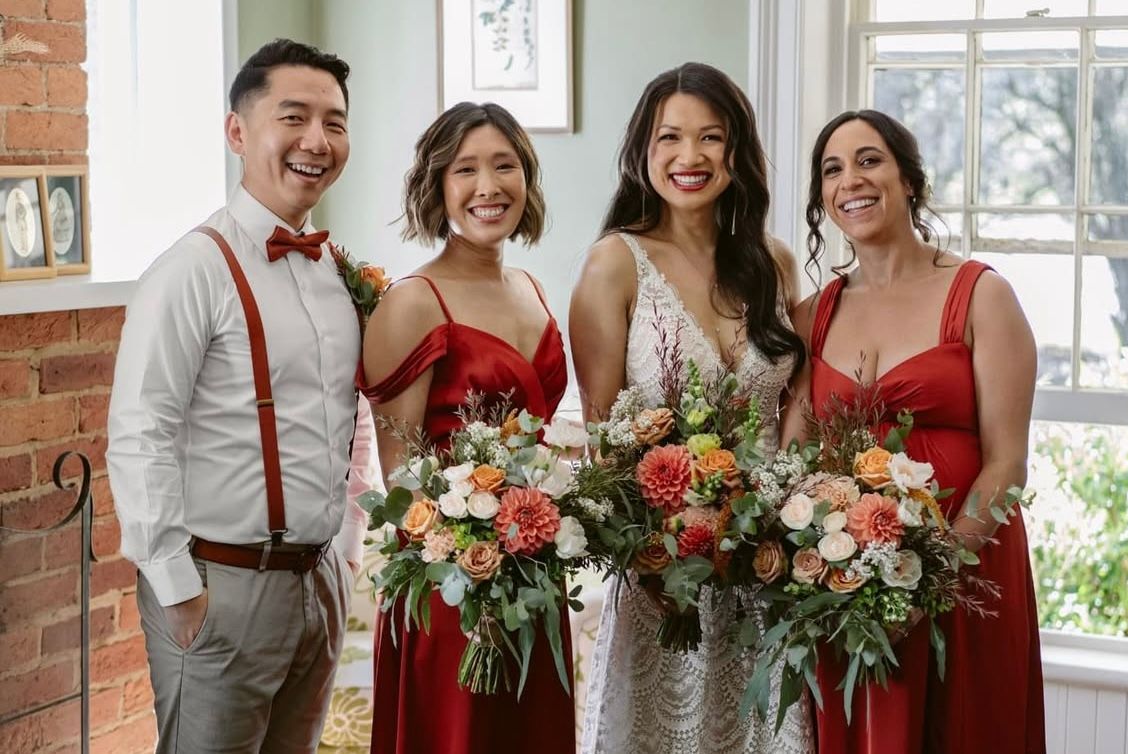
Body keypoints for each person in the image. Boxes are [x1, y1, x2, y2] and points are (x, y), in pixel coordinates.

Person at [107, 39, 372, 753]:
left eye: (335, 122)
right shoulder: (191, 269)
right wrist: (177, 590)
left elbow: (354, 418)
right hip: (220, 586)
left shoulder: (336, 271)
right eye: (294, 117)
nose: (317, 141)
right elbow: (141, 431)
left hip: (318, 585)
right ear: (237, 132)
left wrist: (344, 551)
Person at [569, 62, 815, 753]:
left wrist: (780, 535)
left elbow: (795, 417)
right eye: (669, 137)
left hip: (768, 572)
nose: (689, 157)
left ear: (737, 152)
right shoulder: (613, 264)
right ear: (641, 153)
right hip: (662, 581)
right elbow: (604, 444)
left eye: (711, 137)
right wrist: (657, 567)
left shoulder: (775, 263)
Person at [785, 109, 1045, 754]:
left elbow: (1008, 463)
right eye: (832, 169)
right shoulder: (810, 317)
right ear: (822, 197)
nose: (852, 180)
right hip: (852, 585)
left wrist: (929, 582)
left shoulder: (981, 294)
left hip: (966, 570)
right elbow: (792, 461)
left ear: (909, 180)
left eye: (869, 160)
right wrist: (832, 568)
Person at [361, 101, 575, 754]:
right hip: (451, 589)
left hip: (534, 573)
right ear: (437, 185)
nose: (488, 186)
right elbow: (402, 478)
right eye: (466, 169)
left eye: (504, 165)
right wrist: (473, 545)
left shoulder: (531, 288)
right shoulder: (412, 302)